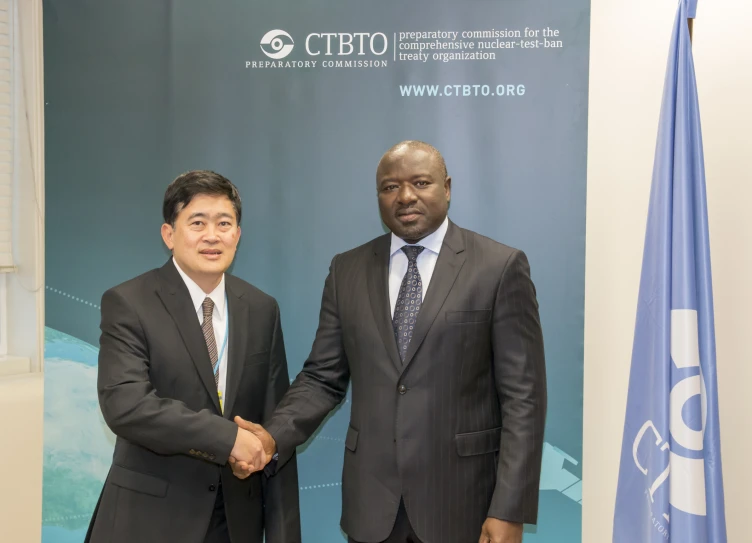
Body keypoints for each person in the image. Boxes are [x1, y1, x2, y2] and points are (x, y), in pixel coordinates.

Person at [238, 141, 547, 543]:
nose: (405, 196)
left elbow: (524, 397)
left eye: (420, 182)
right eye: (389, 187)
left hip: (464, 505)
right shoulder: (346, 269)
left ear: (447, 187)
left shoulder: (499, 267)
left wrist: (509, 508)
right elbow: (322, 378)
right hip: (373, 507)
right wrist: (271, 435)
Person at [86, 170, 300, 543]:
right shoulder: (130, 302)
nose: (212, 236)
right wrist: (228, 438)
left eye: (224, 223)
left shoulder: (262, 308)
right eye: (197, 222)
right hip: (151, 521)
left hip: (235, 523)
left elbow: (273, 425)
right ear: (169, 235)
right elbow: (126, 405)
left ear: (237, 235)